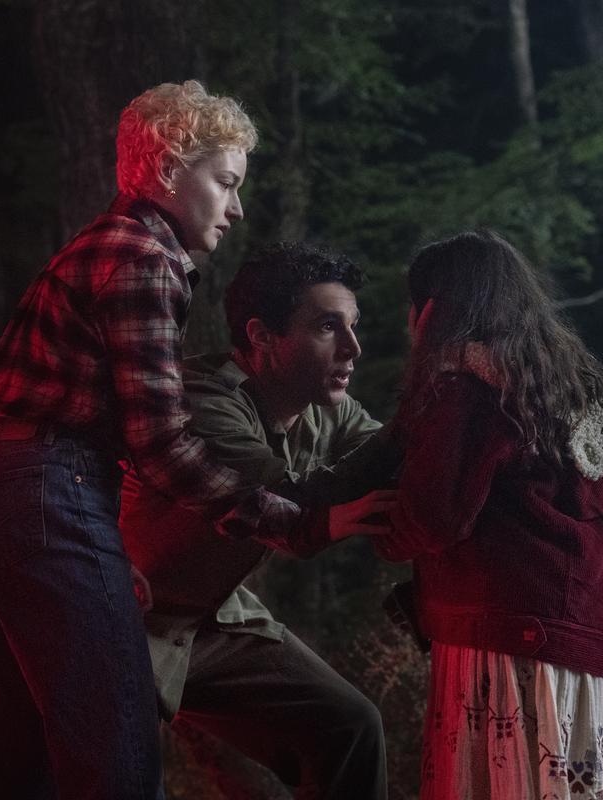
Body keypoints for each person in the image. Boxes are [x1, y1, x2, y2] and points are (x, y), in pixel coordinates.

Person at [0, 81, 300, 800]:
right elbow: (161, 440)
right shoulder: (143, 258)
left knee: (14, 771)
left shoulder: (102, 245)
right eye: (225, 183)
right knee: (117, 764)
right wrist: (278, 516)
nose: (237, 208)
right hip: (48, 494)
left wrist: (99, 542)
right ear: (169, 170)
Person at [119, 242, 400, 799]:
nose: (353, 347)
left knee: (348, 727)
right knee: (113, 778)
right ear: (262, 337)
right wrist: (402, 445)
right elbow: (285, 506)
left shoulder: (328, 409)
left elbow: (391, 456)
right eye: (327, 327)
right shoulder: (203, 400)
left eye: (353, 325)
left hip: (215, 618)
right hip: (127, 618)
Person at [377, 230, 603, 800]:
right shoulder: (558, 390)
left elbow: (433, 516)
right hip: (578, 639)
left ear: (431, 312)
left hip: (505, 638)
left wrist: (379, 527)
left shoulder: (470, 390)